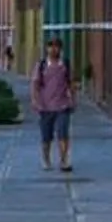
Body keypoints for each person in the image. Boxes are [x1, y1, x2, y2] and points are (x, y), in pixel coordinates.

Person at [32, 40, 77, 172]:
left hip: (63, 105)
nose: (53, 50)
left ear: (60, 49)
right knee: (46, 137)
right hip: (45, 107)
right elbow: (35, 84)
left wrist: (73, 100)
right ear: (46, 49)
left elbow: (71, 84)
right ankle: (46, 159)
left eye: (56, 47)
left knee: (63, 134)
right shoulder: (42, 65)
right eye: (51, 47)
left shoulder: (65, 65)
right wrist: (35, 101)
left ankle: (64, 160)